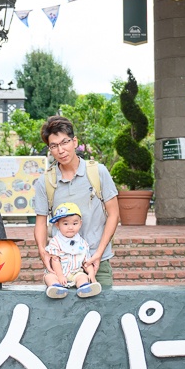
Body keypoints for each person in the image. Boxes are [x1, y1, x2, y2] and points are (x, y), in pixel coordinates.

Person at [33, 115, 120, 287]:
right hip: (61, 265)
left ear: (74, 142)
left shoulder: (98, 172)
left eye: (65, 142)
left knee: (103, 312)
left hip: (96, 261)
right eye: (54, 146)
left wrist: (99, 253)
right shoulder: (45, 182)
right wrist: (44, 252)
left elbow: (114, 214)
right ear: (50, 149)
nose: (61, 150)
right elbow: (41, 222)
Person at [44, 203, 102, 299]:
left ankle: (84, 288)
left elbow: (86, 262)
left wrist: (91, 273)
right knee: (49, 277)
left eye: (75, 223)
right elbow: (55, 260)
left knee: (82, 277)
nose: (70, 227)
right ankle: (56, 288)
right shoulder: (56, 242)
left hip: (75, 273)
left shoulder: (82, 243)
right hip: (58, 273)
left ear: (80, 224)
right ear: (57, 225)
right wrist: (60, 276)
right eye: (65, 224)